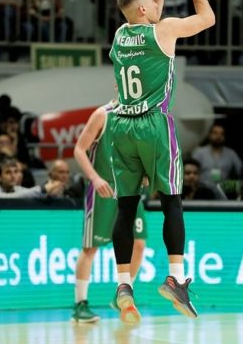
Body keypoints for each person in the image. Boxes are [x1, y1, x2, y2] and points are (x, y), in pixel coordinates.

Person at [108, 0, 215, 323]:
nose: (158, 6)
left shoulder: (120, 35)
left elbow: (147, 12)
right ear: (143, 10)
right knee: (171, 201)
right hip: (152, 124)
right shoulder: (165, 30)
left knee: (126, 207)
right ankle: (176, 278)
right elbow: (208, 18)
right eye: (152, 4)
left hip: (120, 125)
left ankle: (124, 285)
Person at [71, 101, 148, 323]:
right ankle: (80, 305)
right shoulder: (102, 115)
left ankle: (122, 294)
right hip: (103, 190)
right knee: (90, 248)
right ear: (118, 85)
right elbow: (79, 150)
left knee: (139, 244)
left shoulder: (141, 117)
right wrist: (95, 178)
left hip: (129, 190)